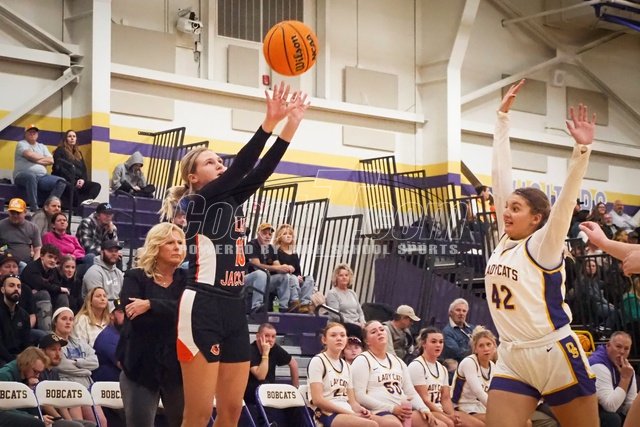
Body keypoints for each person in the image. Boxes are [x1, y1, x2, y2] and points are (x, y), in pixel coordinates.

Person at [170, 82, 308, 427]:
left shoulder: (231, 200)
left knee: (232, 410)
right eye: (210, 162)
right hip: (202, 303)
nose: (219, 164)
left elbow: (262, 170)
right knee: (198, 414)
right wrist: (268, 123)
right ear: (193, 177)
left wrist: (290, 125)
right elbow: (242, 166)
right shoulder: (197, 201)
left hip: (234, 305)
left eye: (220, 160)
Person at [484, 80, 598, 426]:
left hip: (553, 352)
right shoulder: (504, 239)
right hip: (512, 354)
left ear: (536, 218)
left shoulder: (542, 245)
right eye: (506, 206)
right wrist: (501, 119)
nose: (506, 212)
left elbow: (565, 201)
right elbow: (500, 174)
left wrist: (581, 151)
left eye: (515, 208)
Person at [117, 222, 186, 427]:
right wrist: (173, 312)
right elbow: (135, 318)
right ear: (156, 246)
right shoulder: (135, 277)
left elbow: (193, 312)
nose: (177, 247)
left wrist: (150, 304)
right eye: (170, 243)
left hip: (178, 367)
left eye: (180, 242)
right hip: (140, 366)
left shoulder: (187, 279)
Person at [351, 320, 435, 426]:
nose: (379, 333)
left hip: (402, 409)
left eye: (381, 330)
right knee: (394, 425)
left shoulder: (398, 361)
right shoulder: (362, 360)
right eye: (373, 332)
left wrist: (423, 408)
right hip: (378, 410)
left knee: (438, 424)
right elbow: (359, 396)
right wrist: (392, 408)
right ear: (367, 341)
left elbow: (411, 392)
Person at [307, 322, 381, 427]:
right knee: (371, 425)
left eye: (342, 335)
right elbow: (318, 400)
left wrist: (361, 410)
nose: (339, 338)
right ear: (324, 340)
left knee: (387, 423)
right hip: (325, 413)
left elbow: (352, 402)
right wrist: (349, 413)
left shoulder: (346, 366)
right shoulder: (318, 361)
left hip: (346, 411)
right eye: (333, 335)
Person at [410, 327, 479, 427]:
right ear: (424, 343)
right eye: (433, 342)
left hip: (439, 411)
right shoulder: (417, 365)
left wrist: (452, 414)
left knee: (476, 424)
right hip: (423, 410)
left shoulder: (442, 368)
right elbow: (424, 400)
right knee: (448, 423)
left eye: (441, 342)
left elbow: (445, 398)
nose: (438, 345)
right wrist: (446, 416)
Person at [51, 307, 104, 426]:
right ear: (55, 322)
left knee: (101, 421)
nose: (68, 322)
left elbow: (95, 362)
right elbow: (61, 365)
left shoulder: (79, 342)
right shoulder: (50, 341)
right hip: (67, 386)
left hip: (87, 385)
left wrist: (76, 362)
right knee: (79, 423)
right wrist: (87, 371)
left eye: (71, 319)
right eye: (64, 319)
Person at [38, 333, 97, 427]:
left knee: (90, 425)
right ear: (42, 352)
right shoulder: (38, 371)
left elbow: (60, 402)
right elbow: (44, 403)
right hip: (43, 417)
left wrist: (69, 420)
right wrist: (61, 419)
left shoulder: (54, 371)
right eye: (53, 349)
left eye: (59, 349)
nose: (58, 354)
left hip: (56, 417)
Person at [244, 323, 299, 417]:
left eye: (273, 337)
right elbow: (260, 376)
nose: (270, 339)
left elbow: (293, 363)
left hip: (269, 392)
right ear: (258, 336)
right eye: (267, 336)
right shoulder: (250, 350)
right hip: (251, 392)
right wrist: (265, 354)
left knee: (293, 403)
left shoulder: (275, 348)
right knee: (264, 384)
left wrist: (296, 388)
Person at [13, 124, 67, 212]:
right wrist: (41, 158)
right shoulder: (21, 144)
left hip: (42, 177)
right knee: (31, 176)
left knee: (61, 182)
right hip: (22, 175)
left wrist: (34, 159)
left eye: (34, 132)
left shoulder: (42, 146)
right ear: (25, 134)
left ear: (37, 134)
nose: (32, 134)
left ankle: (47, 207)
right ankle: (34, 208)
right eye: (30, 132)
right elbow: (29, 155)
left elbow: (51, 160)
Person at [588, 331, 637, 427]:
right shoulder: (597, 364)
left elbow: (629, 403)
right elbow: (610, 406)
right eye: (618, 346)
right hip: (586, 410)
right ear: (608, 345)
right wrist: (625, 379)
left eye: (626, 349)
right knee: (612, 419)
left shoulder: (627, 368)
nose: (622, 352)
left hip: (611, 410)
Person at [245, 223, 296, 312]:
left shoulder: (272, 248)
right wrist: (277, 268)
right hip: (249, 280)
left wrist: (286, 268)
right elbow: (256, 265)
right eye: (264, 233)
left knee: (285, 277)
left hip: (266, 280)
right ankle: (257, 306)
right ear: (258, 233)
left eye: (270, 234)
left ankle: (283, 307)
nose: (267, 236)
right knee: (261, 274)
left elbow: (277, 266)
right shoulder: (250, 245)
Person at [451, 326, 496, 426]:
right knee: (498, 422)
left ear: (494, 346)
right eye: (481, 346)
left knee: (523, 422)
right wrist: (498, 411)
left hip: (480, 408)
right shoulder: (469, 362)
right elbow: (478, 392)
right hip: (461, 408)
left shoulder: (493, 366)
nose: (486, 349)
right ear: (475, 349)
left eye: (488, 344)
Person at [21, 244, 70, 331]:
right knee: (44, 293)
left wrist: (55, 288)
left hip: (47, 298)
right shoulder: (32, 268)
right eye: (50, 257)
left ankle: (61, 331)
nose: (53, 261)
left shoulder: (53, 270)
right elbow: (41, 284)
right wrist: (55, 288)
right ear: (42, 256)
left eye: (55, 258)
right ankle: (46, 333)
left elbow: (55, 285)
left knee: (62, 296)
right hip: (27, 301)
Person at [0, 346, 52, 427]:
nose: (37, 376)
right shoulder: (4, 375)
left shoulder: (27, 377)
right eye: (35, 371)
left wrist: (31, 390)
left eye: (39, 372)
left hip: (17, 414)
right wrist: (35, 418)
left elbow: (32, 409)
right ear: (26, 364)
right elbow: (4, 407)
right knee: (36, 423)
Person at [52, 130, 101, 207]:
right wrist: (74, 181)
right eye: (69, 136)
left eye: (74, 136)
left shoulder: (79, 153)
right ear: (65, 139)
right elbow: (59, 169)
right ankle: (78, 206)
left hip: (78, 181)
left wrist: (82, 180)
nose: (72, 138)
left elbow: (84, 170)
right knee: (73, 189)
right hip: (66, 180)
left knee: (96, 186)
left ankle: (82, 204)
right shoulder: (60, 150)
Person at [274, 224, 315, 312]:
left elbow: (298, 271)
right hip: (285, 279)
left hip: (295, 280)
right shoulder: (275, 251)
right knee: (292, 278)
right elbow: (276, 269)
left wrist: (299, 277)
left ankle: (304, 304)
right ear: (279, 237)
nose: (288, 236)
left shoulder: (294, 254)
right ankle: (294, 302)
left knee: (309, 279)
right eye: (285, 234)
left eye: (290, 234)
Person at [325, 263, 366, 337]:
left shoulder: (352, 293)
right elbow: (336, 316)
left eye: (346, 275)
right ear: (336, 278)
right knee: (358, 330)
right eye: (341, 275)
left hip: (357, 323)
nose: (344, 277)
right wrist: (354, 323)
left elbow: (360, 312)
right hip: (341, 324)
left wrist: (363, 322)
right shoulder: (332, 293)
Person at [0, 273, 31, 365]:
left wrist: (24, 360)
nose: (16, 289)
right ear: (2, 290)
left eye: (19, 286)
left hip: (19, 358)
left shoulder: (24, 315)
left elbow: (26, 343)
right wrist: (14, 362)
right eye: (11, 285)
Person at [81, 240, 124, 306]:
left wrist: (120, 306)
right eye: (110, 251)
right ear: (102, 252)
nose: (114, 254)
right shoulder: (94, 272)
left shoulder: (119, 273)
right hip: (96, 310)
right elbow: (98, 301)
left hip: (116, 308)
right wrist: (117, 306)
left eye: (116, 251)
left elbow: (121, 298)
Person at [0, 198, 42, 263]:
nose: (15, 215)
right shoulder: (1, 225)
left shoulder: (33, 228)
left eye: (18, 213)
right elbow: (3, 248)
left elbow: (37, 249)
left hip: (27, 264)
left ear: (25, 212)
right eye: (12, 212)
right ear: (8, 212)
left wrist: (34, 264)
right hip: (5, 263)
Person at [92, 299, 125, 383]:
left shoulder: (123, 335)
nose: (126, 315)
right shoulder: (108, 336)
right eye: (121, 312)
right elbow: (125, 365)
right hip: (106, 388)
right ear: (111, 315)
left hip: (120, 386)